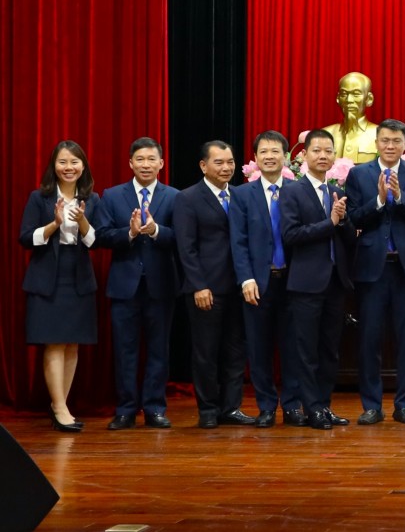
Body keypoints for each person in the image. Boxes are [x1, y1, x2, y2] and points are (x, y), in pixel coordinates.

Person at [346, 118, 405, 425]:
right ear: (377, 143)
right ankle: (371, 405)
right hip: (372, 269)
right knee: (369, 338)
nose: (390, 146)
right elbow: (353, 218)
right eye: (385, 140)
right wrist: (380, 200)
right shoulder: (359, 174)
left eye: (396, 141)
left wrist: (402, 197)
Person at [97, 137, 179, 431]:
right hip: (124, 286)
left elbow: (181, 238)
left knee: (159, 349)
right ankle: (126, 409)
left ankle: (155, 408)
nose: (146, 164)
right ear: (130, 163)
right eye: (140, 159)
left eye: (151, 159)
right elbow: (101, 235)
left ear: (161, 163)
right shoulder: (111, 195)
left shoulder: (174, 196)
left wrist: (156, 230)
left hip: (161, 285)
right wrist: (129, 234)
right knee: (125, 350)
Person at [19, 140, 100, 432]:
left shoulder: (92, 198)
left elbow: (95, 241)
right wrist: (54, 224)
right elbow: (25, 238)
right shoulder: (39, 198)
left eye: (74, 162)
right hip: (47, 277)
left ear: (83, 166)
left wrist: (82, 222)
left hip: (78, 277)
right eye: (63, 162)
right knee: (53, 342)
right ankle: (60, 407)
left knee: (72, 343)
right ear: (54, 166)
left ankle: (60, 405)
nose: (69, 167)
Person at [280, 128, 356, 430]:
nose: (323, 156)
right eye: (317, 151)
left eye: (328, 151)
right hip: (306, 283)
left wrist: (344, 220)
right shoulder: (292, 190)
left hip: (335, 282)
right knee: (306, 351)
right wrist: (330, 222)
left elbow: (348, 238)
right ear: (303, 155)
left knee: (329, 350)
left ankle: (324, 405)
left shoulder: (336, 190)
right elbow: (290, 235)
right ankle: (311, 409)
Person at [176, 140, 255, 428]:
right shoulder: (188, 198)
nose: (226, 168)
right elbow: (186, 248)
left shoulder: (240, 195)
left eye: (230, 162)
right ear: (203, 165)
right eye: (219, 162)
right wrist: (198, 285)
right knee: (206, 352)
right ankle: (208, 410)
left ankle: (231, 407)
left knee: (235, 351)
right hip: (206, 289)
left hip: (239, 286)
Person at [230, 130, 303, 427]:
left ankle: (293, 405)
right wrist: (246, 279)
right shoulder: (241, 194)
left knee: (293, 346)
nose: (269, 156)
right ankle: (266, 407)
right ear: (255, 158)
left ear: (285, 156)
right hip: (258, 283)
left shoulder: (298, 190)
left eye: (275, 151)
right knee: (259, 347)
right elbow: (238, 241)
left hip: (294, 281)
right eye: (263, 152)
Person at [320, 71, 380, 162]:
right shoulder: (325, 134)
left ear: (369, 99)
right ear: (338, 98)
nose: (349, 100)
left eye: (356, 94)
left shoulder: (380, 134)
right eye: (344, 94)